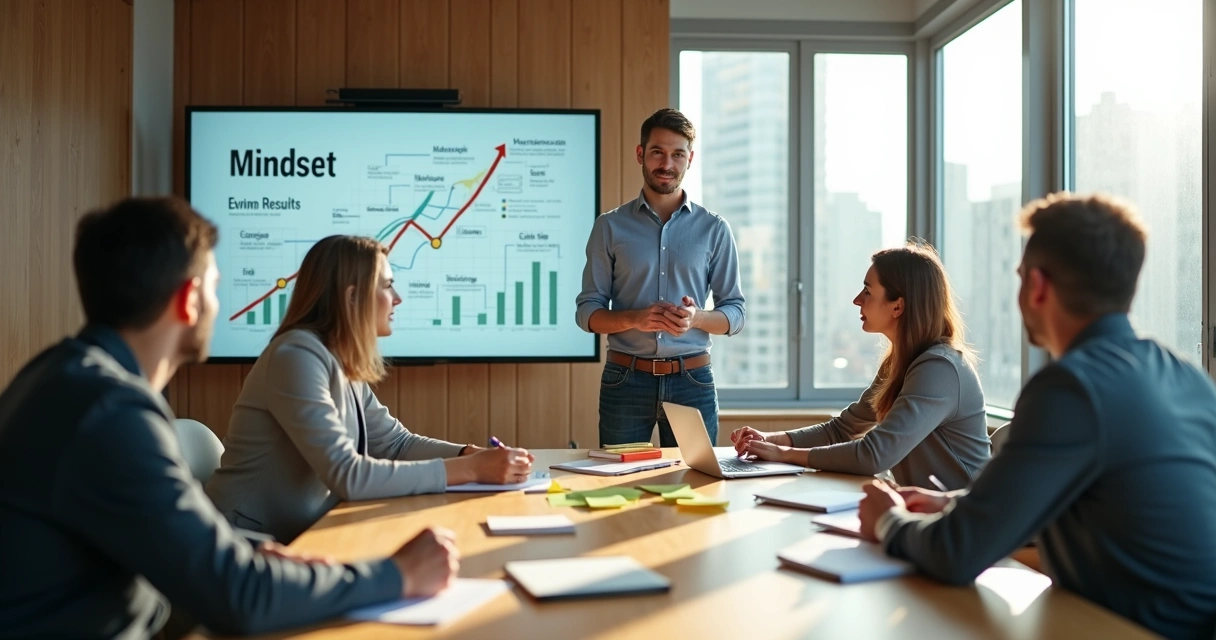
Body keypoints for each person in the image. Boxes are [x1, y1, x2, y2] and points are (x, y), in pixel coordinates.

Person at [0, 198, 459, 639]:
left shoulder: (63, 379)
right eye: (215, 289)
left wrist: (256, 550)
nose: (218, 307)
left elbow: (167, 534)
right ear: (189, 299)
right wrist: (396, 574)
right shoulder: (112, 415)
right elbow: (237, 596)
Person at [859, 193, 1216, 640]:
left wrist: (888, 520)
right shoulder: (1188, 377)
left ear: (1038, 287)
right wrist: (953, 503)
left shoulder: (1072, 388)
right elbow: (1102, 499)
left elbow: (958, 554)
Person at [206, 235, 534, 543]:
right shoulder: (295, 357)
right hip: (247, 547)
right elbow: (347, 474)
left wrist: (470, 454)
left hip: (304, 534)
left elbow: (394, 444)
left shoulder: (337, 357)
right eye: (388, 285)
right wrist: (471, 470)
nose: (398, 298)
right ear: (352, 296)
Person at [730, 244, 989, 490]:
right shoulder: (901, 362)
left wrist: (786, 455)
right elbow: (842, 429)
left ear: (898, 306)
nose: (857, 300)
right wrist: (769, 440)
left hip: (961, 522)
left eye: (867, 291)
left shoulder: (939, 369)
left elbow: (873, 455)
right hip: (921, 511)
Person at [576, 107, 746, 447]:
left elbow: (736, 314)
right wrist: (635, 318)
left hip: (692, 381)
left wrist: (696, 318)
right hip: (625, 381)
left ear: (689, 159)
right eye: (657, 152)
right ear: (641, 154)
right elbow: (587, 314)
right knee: (619, 490)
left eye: (677, 154)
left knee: (695, 486)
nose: (666, 164)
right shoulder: (609, 226)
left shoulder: (714, 229)